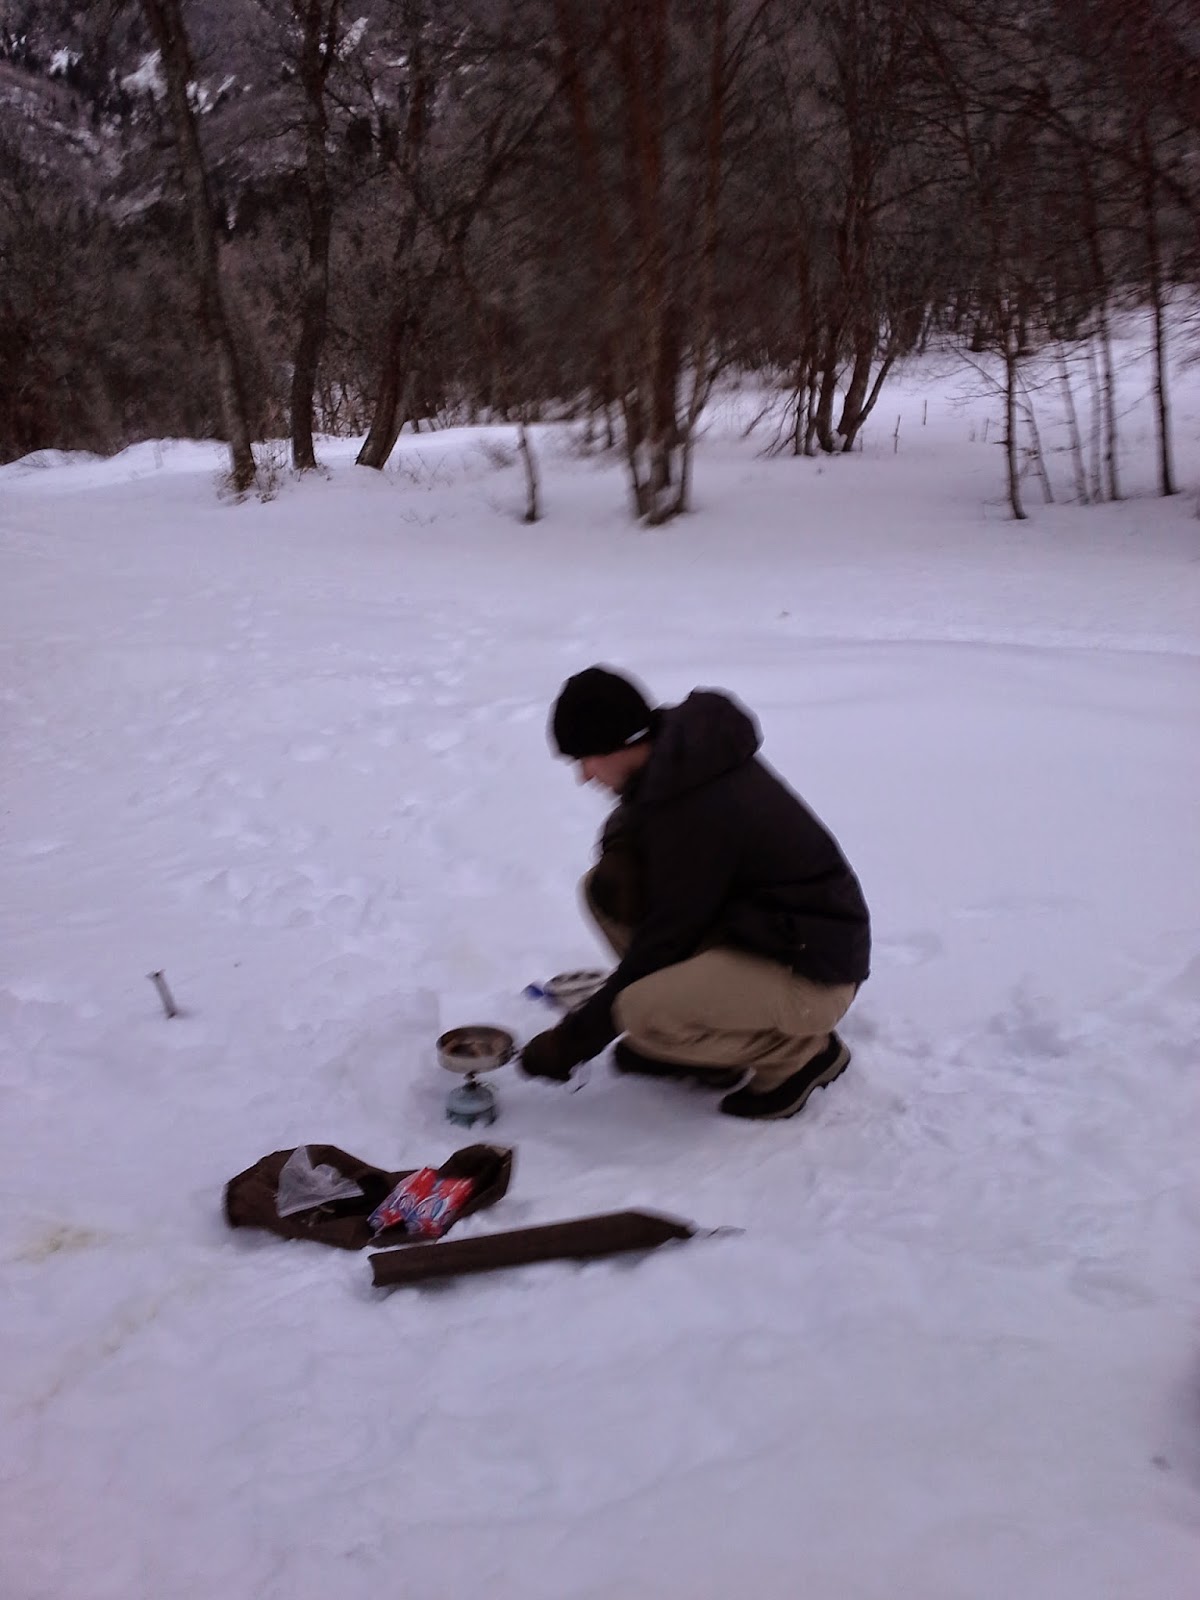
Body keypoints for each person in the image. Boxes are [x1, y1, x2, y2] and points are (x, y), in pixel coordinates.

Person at [519, 666, 871, 1120]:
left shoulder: (704, 807)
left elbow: (662, 944)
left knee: (640, 1010)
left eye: (585, 759)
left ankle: (802, 1057)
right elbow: (652, 838)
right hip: (761, 936)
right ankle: (701, 1051)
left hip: (812, 975)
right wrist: (623, 843)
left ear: (621, 743)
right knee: (601, 891)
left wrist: (571, 1042)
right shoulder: (678, 766)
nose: (585, 777)